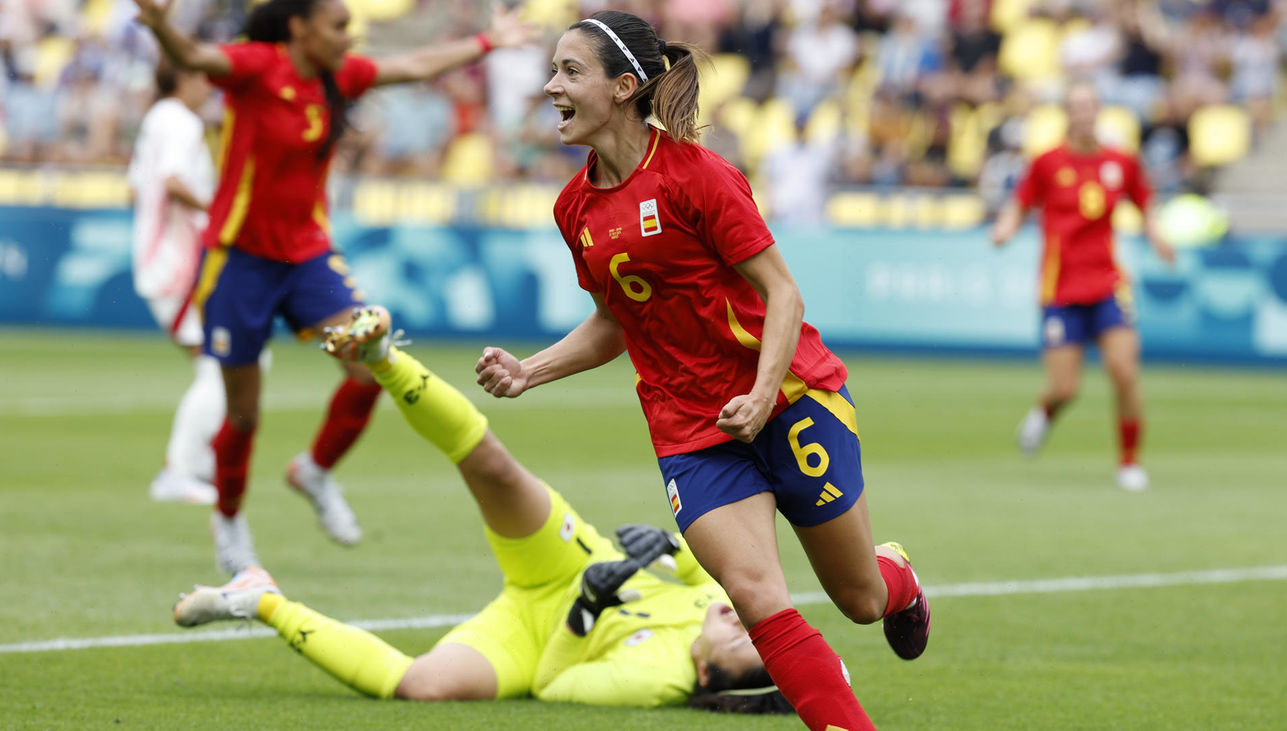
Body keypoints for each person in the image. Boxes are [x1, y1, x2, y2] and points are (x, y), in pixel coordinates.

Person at [474, 12, 930, 730]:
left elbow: (784, 292)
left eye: (569, 72)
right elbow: (614, 322)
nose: (549, 86)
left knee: (860, 600)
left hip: (788, 398)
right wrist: (529, 371)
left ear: (624, 87)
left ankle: (897, 576)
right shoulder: (574, 209)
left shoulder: (698, 176)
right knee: (755, 594)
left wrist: (758, 392)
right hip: (690, 428)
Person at [172, 306, 796, 716]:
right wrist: (664, 544)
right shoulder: (720, 604)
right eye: (757, 630)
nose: (745, 622)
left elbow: (552, 684)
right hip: (568, 560)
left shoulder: (656, 681)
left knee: (422, 686)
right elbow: (698, 567)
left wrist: (583, 615)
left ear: (708, 676)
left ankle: (258, 598)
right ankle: (385, 356)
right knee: (492, 465)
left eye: (743, 643)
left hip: (533, 638)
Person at [131, 0, 534, 572]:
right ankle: (229, 522)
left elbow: (416, 64)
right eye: (339, 25)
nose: (351, 36)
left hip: (308, 259)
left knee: (370, 362)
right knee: (243, 413)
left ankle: (314, 471)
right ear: (300, 28)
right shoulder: (256, 66)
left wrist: (487, 43)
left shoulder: (340, 76)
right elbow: (193, 55)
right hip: (238, 261)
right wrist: (160, 25)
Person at [991, 81, 1176, 492]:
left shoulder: (1121, 162)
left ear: (1099, 110)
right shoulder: (1047, 163)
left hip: (1108, 283)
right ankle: (1044, 412)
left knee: (1124, 370)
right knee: (1065, 387)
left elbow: (1144, 203)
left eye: (1090, 106)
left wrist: (1159, 236)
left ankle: (1129, 461)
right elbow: (1020, 202)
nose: (1084, 113)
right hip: (1061, 288)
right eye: (1076, 106)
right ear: (1067, 113)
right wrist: (1005, 228)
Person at [127, 57, 222, 506]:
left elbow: (136, 187)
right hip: (179, 264)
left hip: (162, 258)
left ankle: (197, 464)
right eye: (204, 77)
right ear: (185, 77)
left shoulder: (156, 119)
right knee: (221, 366)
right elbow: (173, 181)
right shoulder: (181, 121)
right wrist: (218, 213)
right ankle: (180, 471)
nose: (210, 86)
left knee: (231, 362)